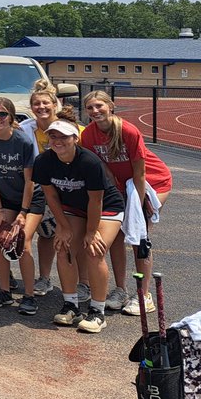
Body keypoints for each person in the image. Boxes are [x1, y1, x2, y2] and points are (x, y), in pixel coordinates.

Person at [79, 90, 173, 316]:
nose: (95, 111)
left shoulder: (127, 131)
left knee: (140, 235)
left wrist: (137, 209)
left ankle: (144, 294)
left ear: (110, 106)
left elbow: (140, 173)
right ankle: (120, 290)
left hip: (151, 183)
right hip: (120, 186)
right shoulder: (89, 135)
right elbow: (104, 169)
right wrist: (115, 196)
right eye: (90, 108)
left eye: (99, 106)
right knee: (117, 237)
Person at [34, 120, 125, 334]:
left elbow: (96, 201)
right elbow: (51, 196)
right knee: (63, 246)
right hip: (73, 207)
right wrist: (63, 227)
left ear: (75, 139)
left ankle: (97, 311)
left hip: (106, 207)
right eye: (54, 136)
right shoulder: (43, 161)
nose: (58, 141)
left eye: (64, 137)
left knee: (94, 251)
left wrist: (91, 233)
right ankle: (71, 306)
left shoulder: (89, 162)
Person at [0, 96, 41, 314]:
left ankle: (29, 296)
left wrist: (23, 212)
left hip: (29, 198)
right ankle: (4, 292)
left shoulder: (23, 142)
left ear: (11, 117)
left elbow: (30, 181)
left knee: (23, 240)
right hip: (5, 198)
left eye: (2, 114)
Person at [20, 80, 72, 298]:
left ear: (55, 104)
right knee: (46, 235)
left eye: (45, 103)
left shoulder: (68, 128)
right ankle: (44, 278)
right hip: (38, 190)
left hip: (67, 189)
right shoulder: (24, 129)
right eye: (36, 104)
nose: (41, 107)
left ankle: (81, 282)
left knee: (70, 237)